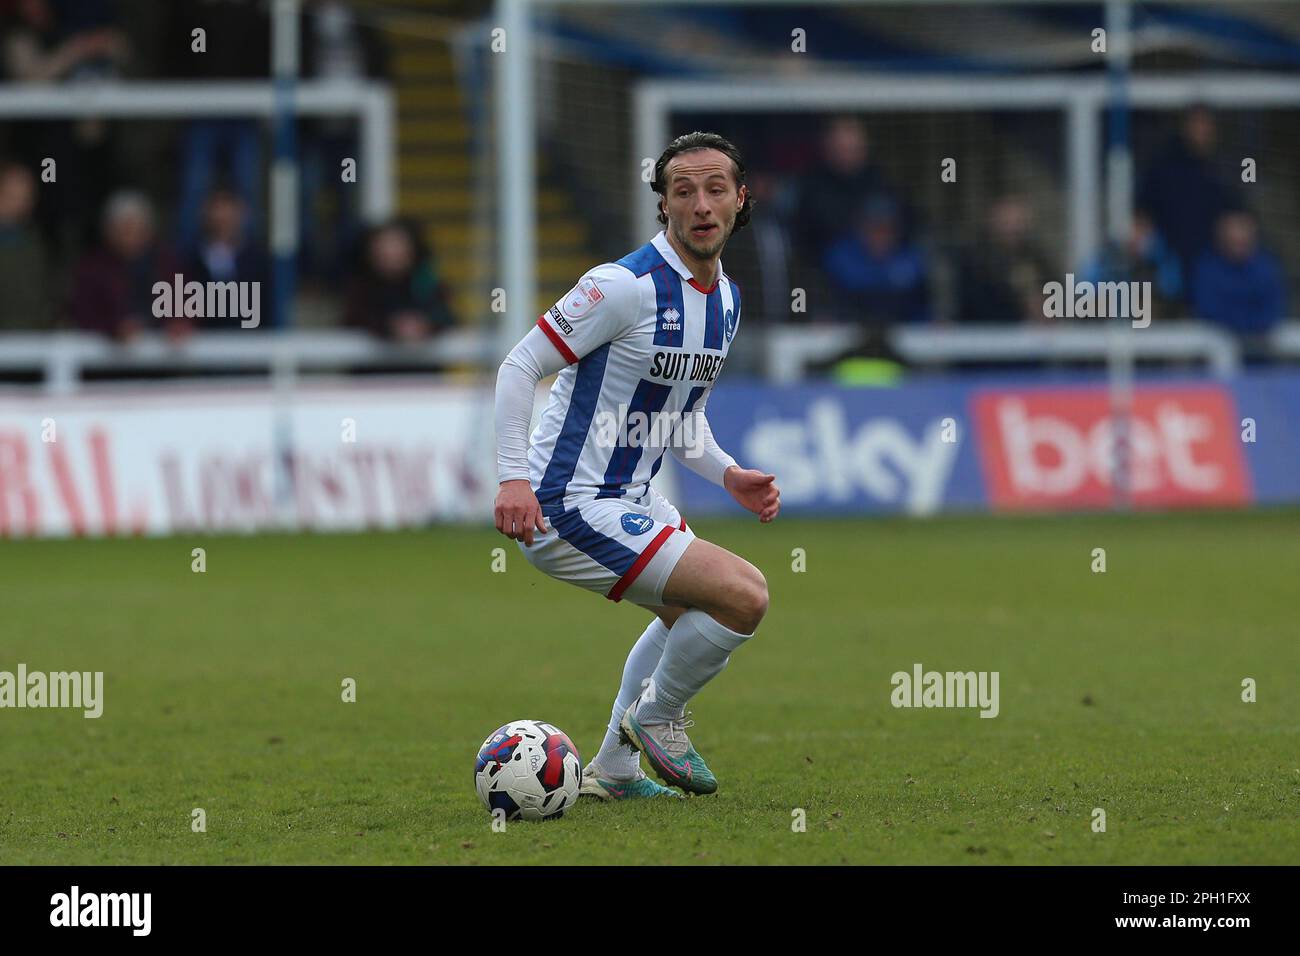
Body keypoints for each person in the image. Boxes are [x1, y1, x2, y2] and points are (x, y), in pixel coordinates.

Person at [493, 132, 779, 802]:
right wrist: (512, 478)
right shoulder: (620, 286)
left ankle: (616, 772)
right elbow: (520, 365)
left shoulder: (725, 301)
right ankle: (655, 718)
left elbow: (678, 416)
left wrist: (728, 473)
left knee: (691, 613)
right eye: (683, 191)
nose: (700, 205)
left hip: (634, 498)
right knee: (744, 595)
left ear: (741, 199)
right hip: (566, 502)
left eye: (715, 189)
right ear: (664, 206)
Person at [68, 191, 183, 341]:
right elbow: (82, 313)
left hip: (167, 358)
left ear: (149, 231)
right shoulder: (92, 269)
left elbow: (189, 304)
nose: (130, 235)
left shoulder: (168, 264)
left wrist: (180, 321)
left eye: (136, 228)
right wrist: (113, 327)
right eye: (124, 229)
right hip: (108, 360)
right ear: (109, 231)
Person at [343, 220, 454, 342]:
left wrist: (426, 325)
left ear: (412, 249)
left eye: (397, 244)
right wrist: (389, 326)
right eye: (384, 245)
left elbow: (447, 318)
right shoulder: (360, 288)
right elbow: (353, 321)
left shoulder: (427, 284)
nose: (390, 252)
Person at [1192, 208, 1286, 337]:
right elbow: (1208, 310)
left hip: (1263, 349)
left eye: (1242, 228)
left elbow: (1274, 309)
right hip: (1218, 345)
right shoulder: (1207, 269)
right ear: (1221, 234)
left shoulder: (1267, 267)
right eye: (1233, 230)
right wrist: (1243, 324)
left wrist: (1251, 326)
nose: (1238, 236)